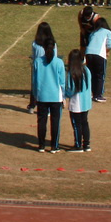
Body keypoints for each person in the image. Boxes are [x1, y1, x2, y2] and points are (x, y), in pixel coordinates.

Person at [29, 22, 65, 153]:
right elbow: (62, 81)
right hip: (56, 96)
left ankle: (41, 145)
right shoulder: (59, 62)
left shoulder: (38, 62)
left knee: (41, 122)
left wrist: (35, 95)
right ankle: (54, 146)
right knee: (55, 122)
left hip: (42, 96)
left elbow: (35, 80)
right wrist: (64, 96)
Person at [65, 49, 93, 152]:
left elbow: (71, 90)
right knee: (84, 122)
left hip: (76, 103)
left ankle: (78, 145)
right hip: (86, 102)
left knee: (76, 124)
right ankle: (86, 144)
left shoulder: (72, 73)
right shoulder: (86, 70)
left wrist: (64, 95)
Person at [84, 17, 111, 103]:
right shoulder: (108, 32)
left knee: (91, 74)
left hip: (88, 54)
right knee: (100, 75)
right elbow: (110, 44)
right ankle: (98, 95)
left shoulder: (93, 33)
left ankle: (90, 93)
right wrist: (107, 52)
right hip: (99, 55)